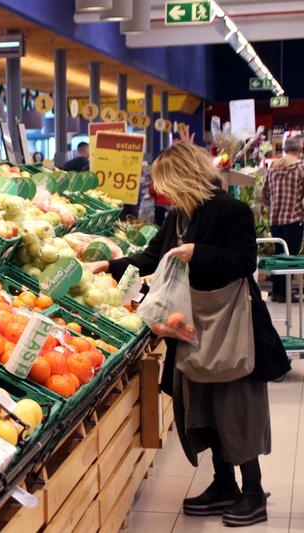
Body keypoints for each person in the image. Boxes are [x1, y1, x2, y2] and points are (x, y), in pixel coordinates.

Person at [89, 142, 290, 527]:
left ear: (185, 176)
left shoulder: (233, 211)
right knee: (203, 408)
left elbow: (245, 262)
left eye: (168, 184)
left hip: (232, 330)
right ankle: (223, 484)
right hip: (191, 327)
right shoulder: (178, 215)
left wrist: (199, 252)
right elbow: (153, 257)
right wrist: (107, 265)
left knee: (236, 407)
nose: (164, 193)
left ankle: (252, 492)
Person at [261, 135, 304, 302]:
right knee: (290, 258)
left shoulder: (273, 168)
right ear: (300, 150)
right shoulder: (300, 168)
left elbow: (264, 194)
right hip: (293, 219)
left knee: (278, 256)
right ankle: (285, 294)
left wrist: (273, 205)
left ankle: (278, 292)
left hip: (275, 221)